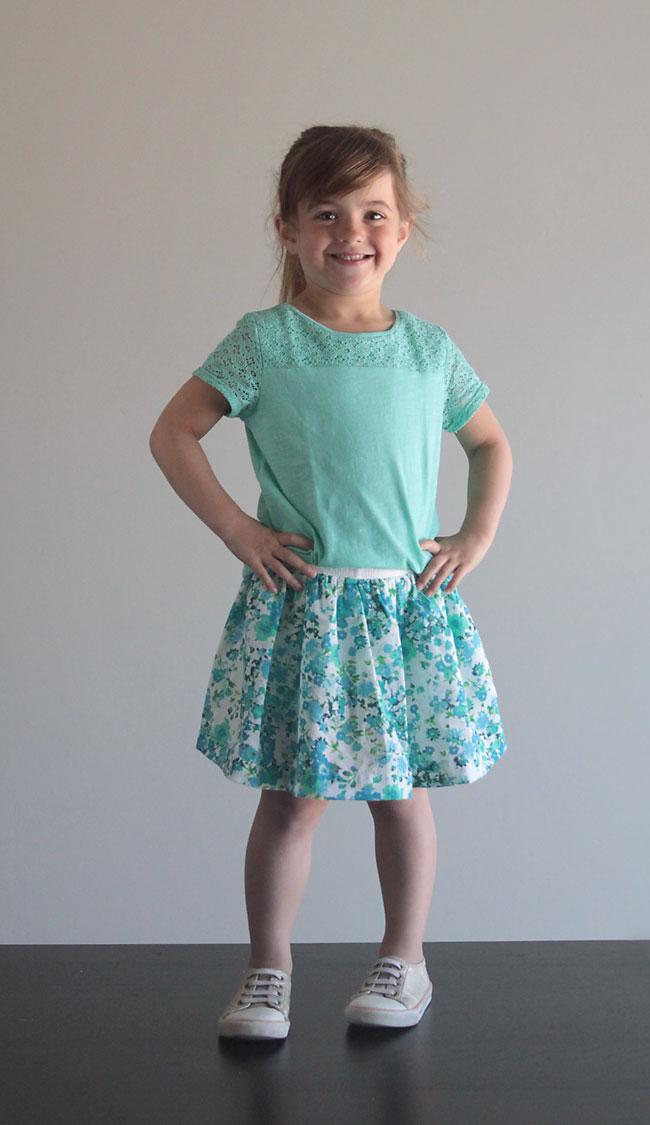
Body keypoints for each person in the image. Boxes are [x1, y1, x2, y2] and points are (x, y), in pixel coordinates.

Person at [149, 124, 513, 1041]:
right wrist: (239, 528)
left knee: (401, 792)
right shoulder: (263, 341)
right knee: (292, 798)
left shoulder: (429, 350)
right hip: (307, 610)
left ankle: (406, 960)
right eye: (327, 213)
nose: (352, 231)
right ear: (287, 228)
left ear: (403, 225)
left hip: (400, 609)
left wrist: (474, 532)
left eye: (373, 212)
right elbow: (173, 432)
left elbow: (490, 442)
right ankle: (267, 971)